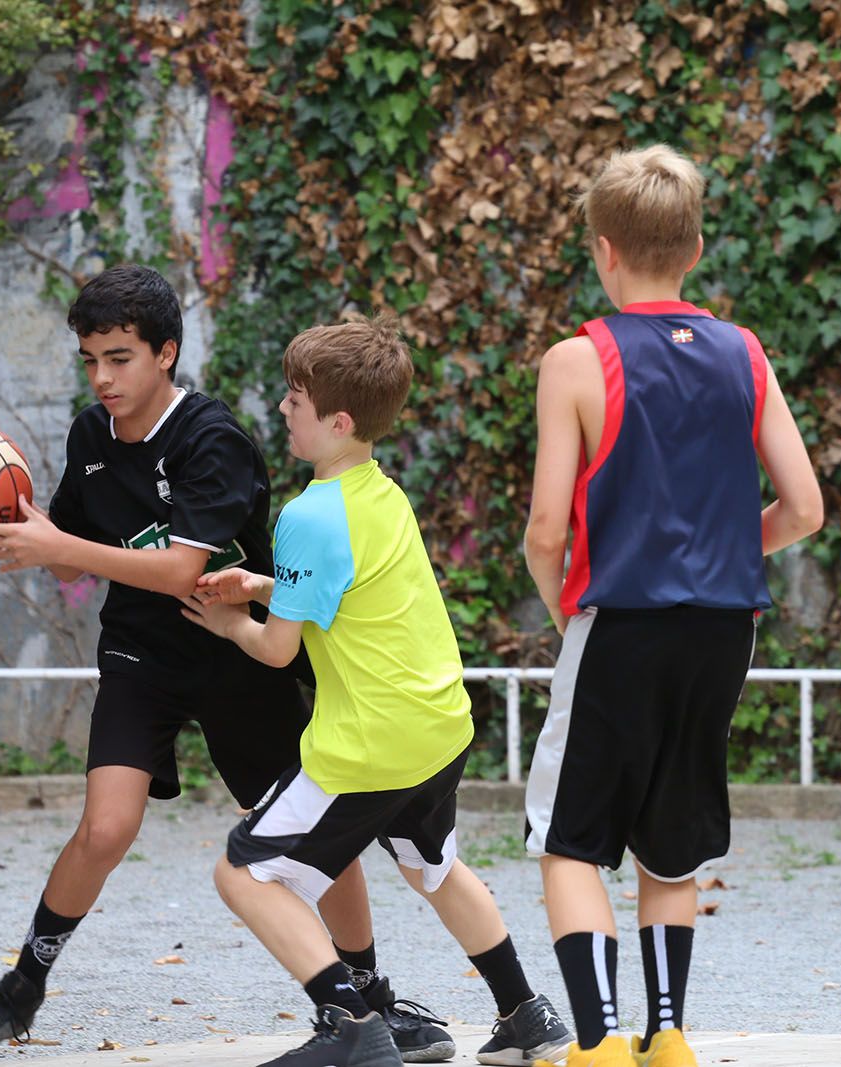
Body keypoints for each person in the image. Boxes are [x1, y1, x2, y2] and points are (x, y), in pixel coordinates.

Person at [0, 267, 446, 1065]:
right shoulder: (89, 437)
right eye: (89, 360)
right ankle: (19, 991)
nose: (102, 377)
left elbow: (181, 569)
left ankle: (367, 998)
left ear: (166, 353)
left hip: (238, 649)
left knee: (314, 836)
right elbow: (74, 549)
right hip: (141, 651)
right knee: (106, 826)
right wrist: (10, 532)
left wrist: (58, 546)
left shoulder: (214, 440)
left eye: (120, 358)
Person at [183, 312, 572, 1067]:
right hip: (439, 729)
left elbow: (276, 647)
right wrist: (265, 581)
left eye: (295, 401)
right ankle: (527, 1016)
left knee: (243, 872)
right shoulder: (379, 492)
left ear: (337, 418)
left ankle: (351, 1026)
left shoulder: (306, 514)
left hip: (369, 745)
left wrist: (227, 620)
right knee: (435, 866)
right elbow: (348, 587)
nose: (284, 411)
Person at [521, 145, 825, 1067]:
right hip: (723, 628)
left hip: (622, 619)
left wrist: (567, 606)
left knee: (569, 838)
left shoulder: (575, 361)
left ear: (603, 250)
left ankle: (599, 1041)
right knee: (672, 834)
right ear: (694, 249)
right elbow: (805, 507)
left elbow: (544, 528)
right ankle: (668, 1036)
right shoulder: (745, 352)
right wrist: (731, 553)